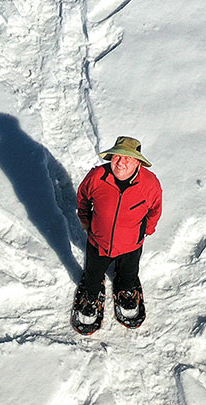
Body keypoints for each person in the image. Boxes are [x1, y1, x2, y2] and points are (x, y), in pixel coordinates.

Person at [72, 136, 162, 334]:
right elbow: (83, 199)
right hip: (99, 242)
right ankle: (92, 294)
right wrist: (86, 221)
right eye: (117, 157)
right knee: (93, 276)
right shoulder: (97, 176)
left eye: (128, 158)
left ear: (138, 161)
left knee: (129, 275)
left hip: (132, 244)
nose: (121, 162)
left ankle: (126, 289)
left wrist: (147, 230)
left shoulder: (150, 184)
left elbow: (155, 210)